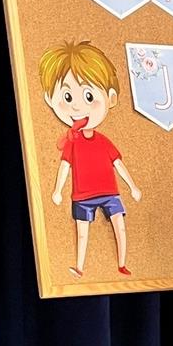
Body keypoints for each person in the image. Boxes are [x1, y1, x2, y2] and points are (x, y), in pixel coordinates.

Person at [39, 40, 141, 278]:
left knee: (119, 225)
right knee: (82, 232)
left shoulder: (103, 141)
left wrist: (133, 186)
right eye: (67, 96)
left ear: (111, 98)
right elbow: (64, 167)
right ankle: (80, 266)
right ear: (50, 99)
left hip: (109, 192)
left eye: (88, 96)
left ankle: (122, 263)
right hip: (82, 196)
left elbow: (118, 164)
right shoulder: (72, 143)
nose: (77, 107)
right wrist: (57, 191)